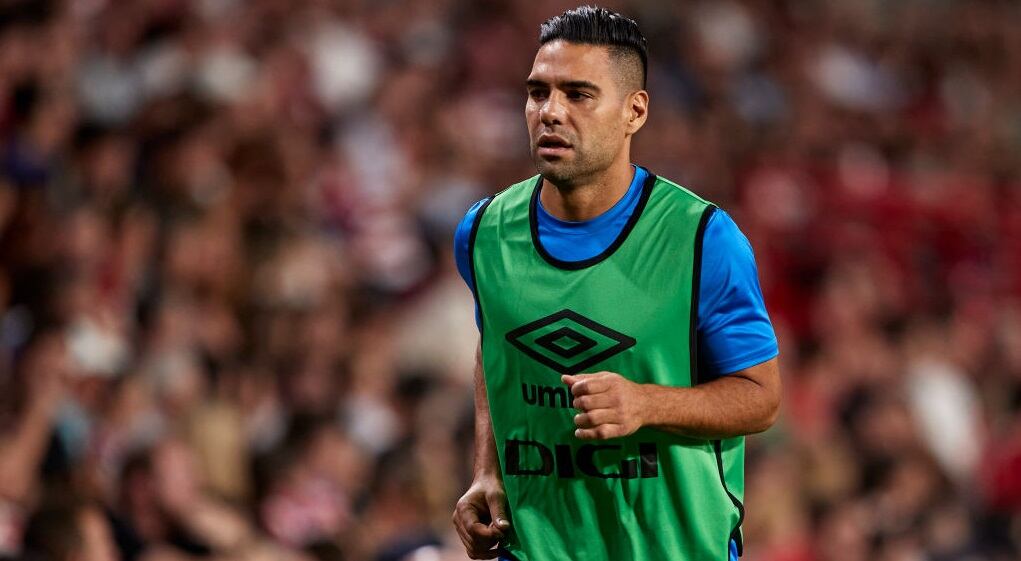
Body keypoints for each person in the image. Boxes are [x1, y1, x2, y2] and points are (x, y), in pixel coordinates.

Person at [450, 6, 781, 561]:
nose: (549, 112)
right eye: (537, 93)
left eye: (578, 95)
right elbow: (497, 343)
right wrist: (487, 470)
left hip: (675, 548)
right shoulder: (482, 232)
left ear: (634, 111)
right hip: (535, 547)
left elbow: (761, 398)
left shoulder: (701, 240)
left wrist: (647, 403)